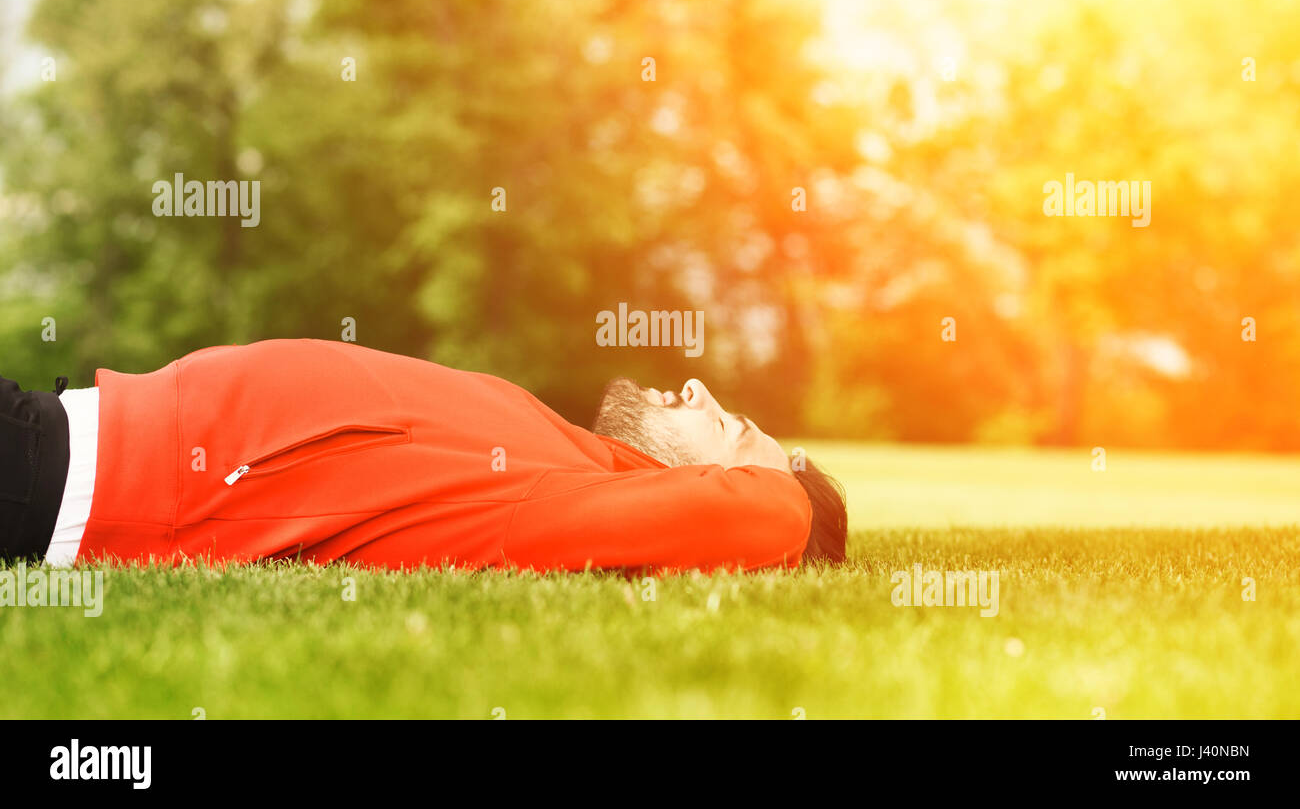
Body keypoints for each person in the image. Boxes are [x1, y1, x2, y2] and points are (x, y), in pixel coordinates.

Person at [1, 339, 847, 572]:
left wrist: (795, 493)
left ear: (713, 484)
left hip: (63, 475)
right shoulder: (559, 447)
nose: (700, 389)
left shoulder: (556, 503)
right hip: (62, 425)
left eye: (731, 429)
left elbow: (763, 514)